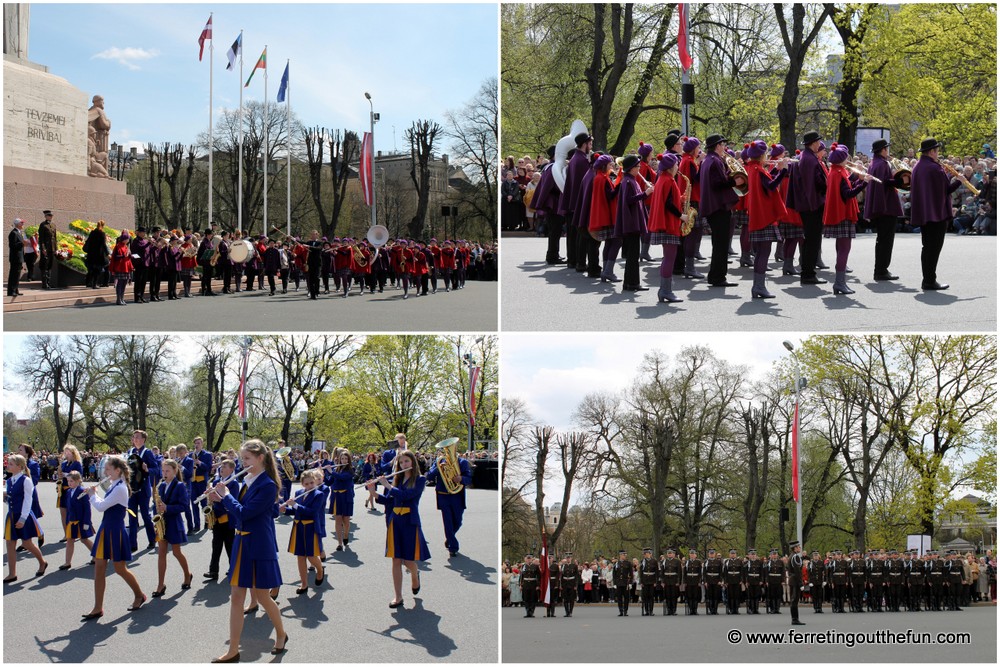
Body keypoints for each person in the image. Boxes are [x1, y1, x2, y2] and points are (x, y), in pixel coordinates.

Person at [208, 439, 287, 662]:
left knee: (262, 596)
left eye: (247, 459)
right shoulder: (249, 480)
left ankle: (281, 634)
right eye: (242, 459)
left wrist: (226, 496)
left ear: (260, 458)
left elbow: (245, 513)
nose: (243, 463)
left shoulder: (268, 485)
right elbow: (238, 510)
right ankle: (233, 650)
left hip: (258, 545)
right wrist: (218, 499)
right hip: (241, 543)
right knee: (236, 597)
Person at [82, 455, 147, 619]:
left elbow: (101, 506)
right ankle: (97, 607)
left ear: (118, 471)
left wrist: (91, 495)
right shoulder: (115, 484)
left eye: (108, 469)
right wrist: (94, 493)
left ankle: (139, 595)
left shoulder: (120, 488)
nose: (105, 472)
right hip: (107, 528)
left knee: (119, 569)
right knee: (99, 569)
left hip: (115, 530)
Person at [365, 450, 429, 609]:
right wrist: (374, 492)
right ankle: (398, 596)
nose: (404, 465)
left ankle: (415, 574)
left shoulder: (420, 480)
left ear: (413, 462)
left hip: (409, 521)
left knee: (408, 560)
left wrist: (387, 485)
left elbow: (407, 496)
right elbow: (389, 501)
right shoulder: (396, 480)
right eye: (401, 463)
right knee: (395, 559)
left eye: (406, 461)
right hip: (395, 521)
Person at [910, 137, 969, 290]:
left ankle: (927, 279)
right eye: (937, 151)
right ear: (931, 151)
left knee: (927, 247)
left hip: (925, 212)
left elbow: (935, 185)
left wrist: (948, 175)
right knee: (934, 248)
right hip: (936, 213)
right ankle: (930, 280)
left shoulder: (918, 166)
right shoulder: (934, 168)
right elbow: (946, 190)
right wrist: (959, 180)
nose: (938, 154)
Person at [822, 144, 870, 294]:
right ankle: (839, 283)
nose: (848, 161)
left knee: (841, 248)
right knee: (844, 249)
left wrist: (857, 177)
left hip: (839, 213)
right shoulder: (839, 173)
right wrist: (864, 183)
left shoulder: (835, 171)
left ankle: (840, 282)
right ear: (841, 159)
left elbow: (846, 186)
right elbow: (848, 193)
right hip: (843, 215)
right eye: (846, 158)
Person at [745, 140, 789, 298]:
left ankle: (758, 286)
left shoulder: (752, 168)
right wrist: (783, 171)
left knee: (760, 253)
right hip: (764, 215)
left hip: (758, 214)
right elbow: (771, 186)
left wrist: (777, 170)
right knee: (764, 252)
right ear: (762, 155)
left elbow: (768, 182)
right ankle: (759, 286)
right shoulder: (758, 169)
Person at [787, 132, 829, 285]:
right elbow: (817, 182)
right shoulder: (810, 159)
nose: (820, 144)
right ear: (813, 143)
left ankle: (808, 271)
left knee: (810, 239)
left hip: (807, 204)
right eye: (818, 141)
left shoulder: (805, 157)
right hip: (812, 204)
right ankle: (808, 273)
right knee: (812, 240)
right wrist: (829, 186)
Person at [699, 135, 741, 288]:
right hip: (718, 207)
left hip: (713, 207)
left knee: (718, 243)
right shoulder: (715, 161)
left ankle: (715, 276)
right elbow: (718, 183)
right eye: (723, 144)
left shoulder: (708, 160)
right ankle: (718, 277)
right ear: (717, 146)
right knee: (721, 244)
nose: (724, 147)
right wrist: (734, 181)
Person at [280, 468, 326, 595]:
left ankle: (320, 569)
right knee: (300, 557)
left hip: (310, 528)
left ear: (315, 482)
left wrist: (295, 505)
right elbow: (296, 511)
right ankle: (304, 584)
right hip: (299, 527)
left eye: (311, 482)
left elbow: (312, 512)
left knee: (311, 555)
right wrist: (285, 510)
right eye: (306, 484)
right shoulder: (299, 492)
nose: (310, 485)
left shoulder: (319, 495)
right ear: (302, 484)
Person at [151, 459, 193, 597]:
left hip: (174, 523)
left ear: (175, 471)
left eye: (167, 471)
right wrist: (156, 512)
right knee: (161, 553)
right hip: (162, 523)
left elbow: (184, 506)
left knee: (176, 552)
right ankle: (160, 584)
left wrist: (167, 508)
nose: (164, 473)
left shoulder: (180, 486)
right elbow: (156, 505)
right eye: (163, 471)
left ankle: (187, 575)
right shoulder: (161, 486)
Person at [647, 153, 685, 303]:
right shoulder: (668, 180)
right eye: (676, 165)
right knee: (670, 258)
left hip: (664, 223)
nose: (677, 167)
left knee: (667, 258)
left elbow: (668, 200)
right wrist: (681, 216)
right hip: (669, 224)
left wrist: (681, 198)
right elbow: (669, 204)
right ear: (670, 167)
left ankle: (665, 290)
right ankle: (665, 291)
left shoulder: (662, 179)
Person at [3, 454, 47, 583]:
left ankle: (42, 562)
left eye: (11, 464)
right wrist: (5, 498)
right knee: (10, 544)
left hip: (23, 515)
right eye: (8, 463)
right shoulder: (10, 480)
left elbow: (28, 500)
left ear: (19, 466)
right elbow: (11, 500)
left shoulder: (26, 480)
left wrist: (23, 518)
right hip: (11, 515)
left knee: (27, 543)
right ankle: (12, 573)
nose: (7, 465)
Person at [864, 139, 904, 280]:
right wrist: (899, 181)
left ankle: (880, 269)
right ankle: (881, 270)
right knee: (886, 240)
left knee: (882, 240)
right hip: (886, 207)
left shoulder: (874, 163)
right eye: (887, 148)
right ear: (883, 150)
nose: (888, 151)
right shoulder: (882, 164)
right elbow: (884, 182)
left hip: (881, 207)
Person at [425, 445, 472, 558]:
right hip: (443, 496)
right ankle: (453, 547)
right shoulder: (439, 461)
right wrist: (437, 468)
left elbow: (469, 478)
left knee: (458, 521)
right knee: (448, 523)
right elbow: (429, 476)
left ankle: (450, 538)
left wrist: (461, 479)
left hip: (457, 496)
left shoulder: (463, 462)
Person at [614, 155, 653, 292]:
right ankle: (632, 283)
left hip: (633, 220)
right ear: (631, 168)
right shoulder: (628, 182)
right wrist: (646, 193)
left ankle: (630, 283)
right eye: (637, 166)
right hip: (631, 222)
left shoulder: (631, 180)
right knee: (633, 255)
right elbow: (629, 200)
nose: (639, 168)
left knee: (633, 255)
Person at [204, 459, 239, 581]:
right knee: (216, 545)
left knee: (230, 546)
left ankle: (234, 569)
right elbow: (214, 499)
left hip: (228, 519)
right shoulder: (217, 481)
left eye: (225, 466)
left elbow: (233, 501)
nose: (221, 468)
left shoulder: (233, 483)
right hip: (217, 518)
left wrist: (218, 498)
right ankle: (213, 571)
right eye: (221, 466)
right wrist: (209, 495)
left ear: (231, 469)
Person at [126, 430, 160, 552]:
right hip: (131, 489)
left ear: (143, 439)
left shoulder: (148, 453)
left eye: (138, 437)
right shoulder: (130, 452)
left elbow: (156, 469)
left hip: (143, 488)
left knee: (145, 516)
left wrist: (147, 469)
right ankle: (132, 544)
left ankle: (152, 539)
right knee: (132, 516)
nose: (135, 439)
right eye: (134, 437)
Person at [59, 471, 94, 570]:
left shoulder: (83, 491)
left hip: (81, 521)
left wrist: (87, 522)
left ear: (78, 481)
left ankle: (97, 555)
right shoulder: (69, 491)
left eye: (72, 481)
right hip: (71, 520)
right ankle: (67, 562)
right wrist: (67, 521)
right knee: (70, 540)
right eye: (68, 481)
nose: (69, 483)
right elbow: (69, 509)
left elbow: (87, 509)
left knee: (84, 539)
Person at [326, 449, 355, 551]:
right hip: (336, 497)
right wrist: (322, 472)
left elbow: (342, 478)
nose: (344, 460)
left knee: (346, 521)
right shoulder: (336, 470)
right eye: (342, 458)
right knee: (338, 519)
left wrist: (331, 471)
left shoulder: (351, 470)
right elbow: (329, 482)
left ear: (348, 460)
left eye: (346, 458)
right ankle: (339, 543)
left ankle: (346, 535)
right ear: (339, 460)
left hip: (346, 497)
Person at [58, 445, 84, 538]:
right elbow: (60, 474)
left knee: (73, 512)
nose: (66, 454)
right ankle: (66, 533)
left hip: (73, 490)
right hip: (63, 489)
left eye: (68, 452)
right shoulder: (64, 463)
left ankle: (76, 531)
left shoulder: (77, 463)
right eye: (65, 452)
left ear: (73, 453)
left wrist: (66, 475)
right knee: (63, 512)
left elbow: (79, 476)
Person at [190, 437, 213, 533]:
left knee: (204, 503)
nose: (197, 445)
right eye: (195, 443)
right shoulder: (191, 454)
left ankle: (207, 521)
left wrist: (199, 463)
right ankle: (197, 525)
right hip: (193, 482)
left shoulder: (207, 455)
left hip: (202, 482)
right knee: (194, 503)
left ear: (202, 444)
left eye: (198, 443)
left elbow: (208, 468)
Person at [109, 232, 132, 305]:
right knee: (120, 283)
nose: (128, 240)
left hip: (125, 266)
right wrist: (123, 256)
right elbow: (115, 257)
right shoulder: (118, 246)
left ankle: (122, 298)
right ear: (124, 239)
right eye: (127, 238)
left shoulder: (126, 246)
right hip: (120, 267)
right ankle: (118, 299)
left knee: (124, 283)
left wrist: (130, 255)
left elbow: (128, 256)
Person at [37, 209, 57, 289]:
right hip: (46, 249)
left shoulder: (53, 225)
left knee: (50, 266)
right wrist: (43, 249)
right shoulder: (43, 225)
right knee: (44, 265)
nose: (51, 217)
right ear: (46, 216)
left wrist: (56, 248)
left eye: (51, 216)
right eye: (49, 215)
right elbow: (41, 238)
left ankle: (49, 282)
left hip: (52, 248)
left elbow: (55, 238)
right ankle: (44, 284)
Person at [787, 541, 806, 625]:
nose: (800, 548)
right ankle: (795, 619)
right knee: (794, 600)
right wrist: (801, 583)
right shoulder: (795, 557)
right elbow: (797, 571)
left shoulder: (792, 556)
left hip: (793, 580)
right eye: (798, 547)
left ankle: (795, 619)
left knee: (794, 600)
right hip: (795, 581)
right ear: (795, 548)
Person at [7, 217, 25, 297]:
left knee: (17, 275)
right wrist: (22, 243)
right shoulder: (13, 233)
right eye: (21, 223)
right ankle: (11, 291)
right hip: (15, 257)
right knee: (13, 274)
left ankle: (16, 289)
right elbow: (12, 245)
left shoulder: (19, 232)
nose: (23, 224)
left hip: (19, 257)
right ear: (17, 224)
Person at [638, 547, 658, 616]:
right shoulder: (642, 561)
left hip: (652, 580)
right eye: (644, 554)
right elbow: (641, 572)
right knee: (645, 596)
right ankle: (646, 610)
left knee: (651, 596)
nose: (645, 555)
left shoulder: (654, 561)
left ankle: (651, 610)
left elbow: (656, 572)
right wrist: (641, 582)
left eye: (646, 553)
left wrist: (656, 581)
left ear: (650, 554)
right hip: (645, 580)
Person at [611, 549, 632, 616]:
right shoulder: (616, 564)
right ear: (620, 555)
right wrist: (614, 583)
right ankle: (621, 611)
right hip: (619, 583)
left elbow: (631, 573)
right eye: (623, 555)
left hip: (626, 583)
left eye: (625, 555)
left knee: (626, 597)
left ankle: (625, 610)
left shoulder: (628, 563)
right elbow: (614, 574)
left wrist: (630, 583)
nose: (624, 556)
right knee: (619, 597)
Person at [723, 548, 743, 615]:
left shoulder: (739, 561)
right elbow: (725, 573)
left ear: (736, 554)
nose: (733, 555)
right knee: (730, 595)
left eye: (734, 554)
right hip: (730, 580)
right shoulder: (727, 562)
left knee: (737, 595)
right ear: (729, 555)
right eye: (731, 554)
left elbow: (741, 571)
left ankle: (736, 609)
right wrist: (725, 581)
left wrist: (741, 580)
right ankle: (731, 609)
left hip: (737, 580)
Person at [559, 552, 580, 617]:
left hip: (572, 583)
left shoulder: (574, 566)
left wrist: (576, 585)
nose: (568, 559)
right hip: (565, 583)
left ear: (571, 558)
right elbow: (561, 577)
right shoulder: (563, 566)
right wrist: (561, 585)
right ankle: (566, 612)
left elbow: (576, 576)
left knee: (571, 599)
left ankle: (570, 611)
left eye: (569, 558)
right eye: (567, 558)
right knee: (565, 598)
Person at [764, 548, 784, 613]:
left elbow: (783, 572)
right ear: (771, 555)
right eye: (773, 554)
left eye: (775, 554)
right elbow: (766, 572)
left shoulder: (780, 562)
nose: (774, 556)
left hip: (778, 580)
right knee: (772, 595)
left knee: (778, 595)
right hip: (771, 580)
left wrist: (782, 580)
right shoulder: (768, 562)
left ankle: (777, 609)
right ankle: (772, 609)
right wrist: (766, 581)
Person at [684, 548, 703, 615]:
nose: (692, 555)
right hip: (689, 581)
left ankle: (695, 610)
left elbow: (700, 572)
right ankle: (690, 609)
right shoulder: (687, 562)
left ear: (695, 555)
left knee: (695, 596)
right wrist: (685, 582)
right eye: (691, 554)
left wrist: (699, 581)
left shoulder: (698, 562)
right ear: (689, 555)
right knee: (689, 596)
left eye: (693, 554)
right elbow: (685, 572)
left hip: (695, 580)